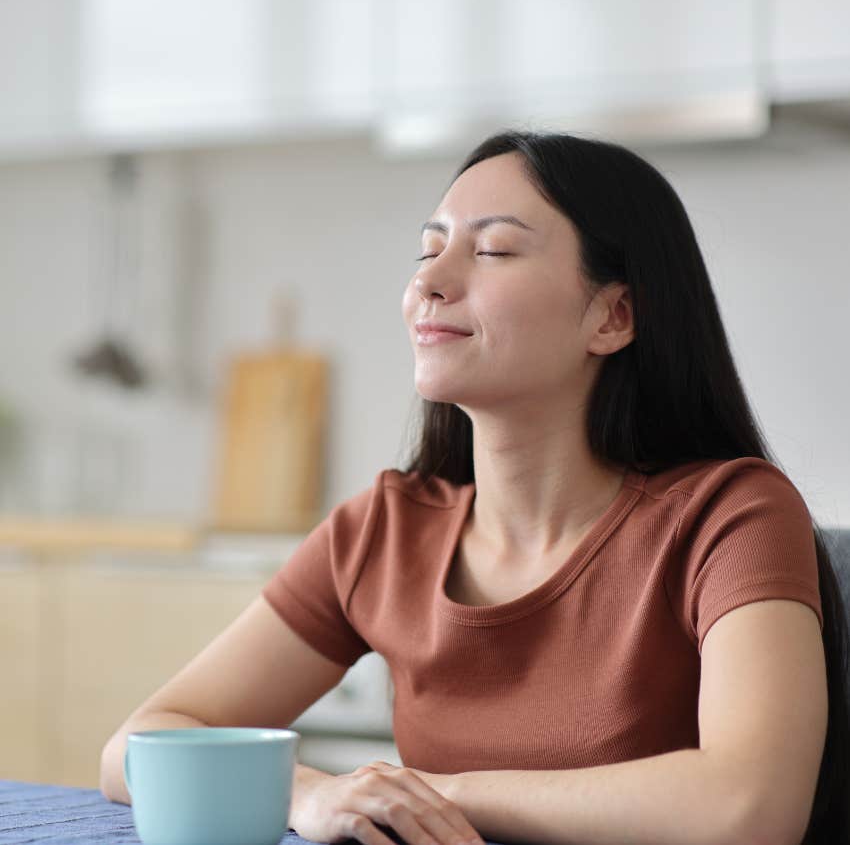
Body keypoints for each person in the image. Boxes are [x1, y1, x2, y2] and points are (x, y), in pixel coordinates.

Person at [100, 130, 849, 845]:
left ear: (613, 316)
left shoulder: (733, 517)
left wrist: (434, 794)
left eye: (492, 250)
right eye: (428, 251)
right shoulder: (382, 534)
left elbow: (751, 807)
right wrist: (307, 793)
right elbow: (134, 747)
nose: (427, 282)